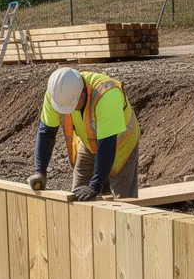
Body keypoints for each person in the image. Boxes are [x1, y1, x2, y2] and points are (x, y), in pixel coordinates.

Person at [28, 67, 140, 201]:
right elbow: (47, 133)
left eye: (72, 105)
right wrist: (40, 171)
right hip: (89, 142)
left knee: (124, 203)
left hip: (121, 144)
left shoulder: (106, 95)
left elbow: (107, 145)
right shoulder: (57, 94)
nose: (69, 111)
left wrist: (95, 185)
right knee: (76, 196)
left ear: (82, 93)